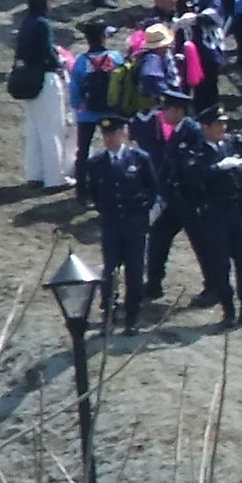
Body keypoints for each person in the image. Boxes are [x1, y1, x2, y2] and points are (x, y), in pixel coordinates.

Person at [184, 106, 242, 328]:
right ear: (205, 127)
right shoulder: (197, 151)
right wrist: (217, 167)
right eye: (218, 124)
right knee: (220, 265)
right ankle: (228, 311)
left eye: (224, 123)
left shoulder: (233, 143)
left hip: (240, 212)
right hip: (215, 214)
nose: (223, 127)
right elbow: (193, 175)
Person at [84, 115, 158, 332]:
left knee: (134, 271)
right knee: (110, 270)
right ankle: (109, 312)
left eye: (113, 133)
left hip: (135, 223)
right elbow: (95, 195)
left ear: (124, 133)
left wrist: (142, 213)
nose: (109, 138)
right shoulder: (96, 163)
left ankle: (132, 317)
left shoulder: (139, 158)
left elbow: (152, 188)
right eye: (106, 134)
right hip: (111, 223)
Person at [11, 0, 72, 190]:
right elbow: (47, 52)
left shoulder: (25, 23)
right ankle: (55, 178)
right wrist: (60, 65)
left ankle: (35, 175)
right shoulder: (42, 24)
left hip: (28, 80)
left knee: (34, 130)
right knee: (52, 130)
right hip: (45, 79)